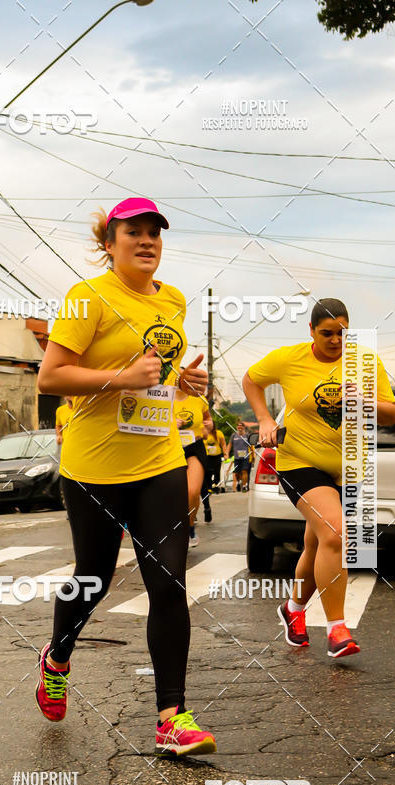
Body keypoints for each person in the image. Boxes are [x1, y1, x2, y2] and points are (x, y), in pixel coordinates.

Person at [36, 196, 216, 756]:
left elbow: (154, 373)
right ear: (109, 243)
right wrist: (120, 377)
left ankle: (172, 717)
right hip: (93, 467)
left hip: (159, 461)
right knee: (92, 578)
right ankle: (57, 659)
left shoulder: (174, 300)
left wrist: (179, 383)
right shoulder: (86, 297)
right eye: (133, 232)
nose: (146, 241)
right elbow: (50, 377)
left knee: (169, 581)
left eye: (154, 232)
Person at [242, 298, 395, 658]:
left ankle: (293, 609)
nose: (336, 340)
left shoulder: (366, 362)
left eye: (343, 333)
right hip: (300, 462)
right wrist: (265, 419)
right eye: (327, 333)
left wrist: (365, 401)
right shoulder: (289, 358)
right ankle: (337, 628)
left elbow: (390, 415)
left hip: (349, 468)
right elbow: (251, 380)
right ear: (311, 330)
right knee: (336, 534)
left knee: (318, 546)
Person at [173, 388, 211, 545]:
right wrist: (170, 424)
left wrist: (208, 426)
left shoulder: (199, 398)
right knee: (172, 493)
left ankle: (189, 528)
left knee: (192, 491)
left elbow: (207, 420)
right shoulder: (163, 394)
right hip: (171, 447)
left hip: (194, 446)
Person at [202, 416, 227, 519]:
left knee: (217, 472)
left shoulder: (219, 433)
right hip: (207, 456)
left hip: (216, 456)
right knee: (208, 473)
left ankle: (216, 487)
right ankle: (209, 487)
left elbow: (223, 444)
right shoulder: (203, 433)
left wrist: (225, 453)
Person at [227, 422, 251, 491]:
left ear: (244, 427)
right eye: (238, 426)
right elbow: (229, 445)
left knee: (244, 471)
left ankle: (244, 485)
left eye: (241, 426)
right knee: (236, 473)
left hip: (245, 457)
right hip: (236, 458)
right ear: (237, 427)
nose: (240, 427)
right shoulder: (233, 435)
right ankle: (240, 481)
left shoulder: (247, 435)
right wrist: (227, 453)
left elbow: (251, 445)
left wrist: (253, 455)